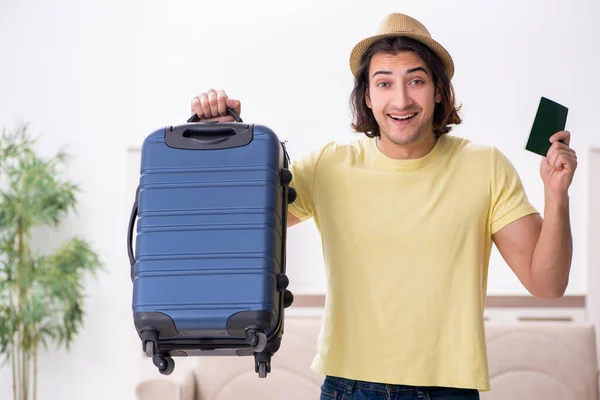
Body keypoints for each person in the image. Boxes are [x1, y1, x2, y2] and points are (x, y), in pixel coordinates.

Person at [189, 13, 577, 400]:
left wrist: (556, 195)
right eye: (385, 84)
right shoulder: (328, 166)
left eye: (417, 81)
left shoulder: (485, 167)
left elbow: (547, 283)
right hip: (350, 388)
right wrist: (224, 139)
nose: (402, 99)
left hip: (448, 391)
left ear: (438, 90)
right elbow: (236, 227)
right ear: (368, 97)